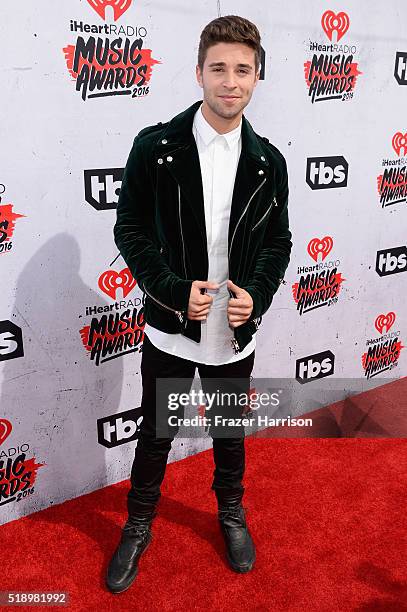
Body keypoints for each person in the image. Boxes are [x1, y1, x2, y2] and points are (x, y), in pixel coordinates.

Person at [106, 14, 292, 593]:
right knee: (157, 431)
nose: (230, 81)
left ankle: (231, 514)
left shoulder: (269, 162)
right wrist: (167, 288)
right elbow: (130, 227)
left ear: (257, 77)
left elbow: (278, 242)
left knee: (229, 431)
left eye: (242, 69)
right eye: (219, 68)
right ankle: (139, 523)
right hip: (169, 326)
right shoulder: (156, 147)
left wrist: (256, 296)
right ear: (198, 74)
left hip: (235, 333)